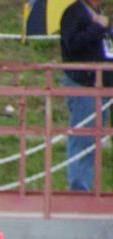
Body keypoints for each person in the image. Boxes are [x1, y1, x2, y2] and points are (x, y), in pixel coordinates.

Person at [60, 0, 113, 191]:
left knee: (94, 140)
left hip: (102, 86)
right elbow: (72, 44)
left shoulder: (99, 12)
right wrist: (97, 27)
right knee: (83, 137)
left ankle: (86, 185)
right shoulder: (74, 12)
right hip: (84, 84)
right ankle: (79, 188)